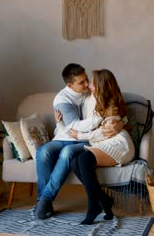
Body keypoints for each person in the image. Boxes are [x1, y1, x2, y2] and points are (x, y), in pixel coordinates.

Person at [35, 64, 123, 220]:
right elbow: (74, 126)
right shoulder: (62, 99)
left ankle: (45, 199)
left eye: (87, 79)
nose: (87, 84)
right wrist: (101, 116)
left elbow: (115, 106)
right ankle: (43, 200)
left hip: (85, 139)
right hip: (67, 136)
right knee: (43, 151)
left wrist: (120, 122)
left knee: (67, 152)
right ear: (70, 85)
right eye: (81, 82)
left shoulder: (91, 91)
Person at [65, 69, 135, 224]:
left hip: (119, 144)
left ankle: (93, 205)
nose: (89, 85)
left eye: (92, 83)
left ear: (100, 86)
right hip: (103, 143)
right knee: (74, 161)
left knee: (83, 159)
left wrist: (80, 136)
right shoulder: (91, 98)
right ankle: (104, 200)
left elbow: (105, 133)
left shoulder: (110, 105)